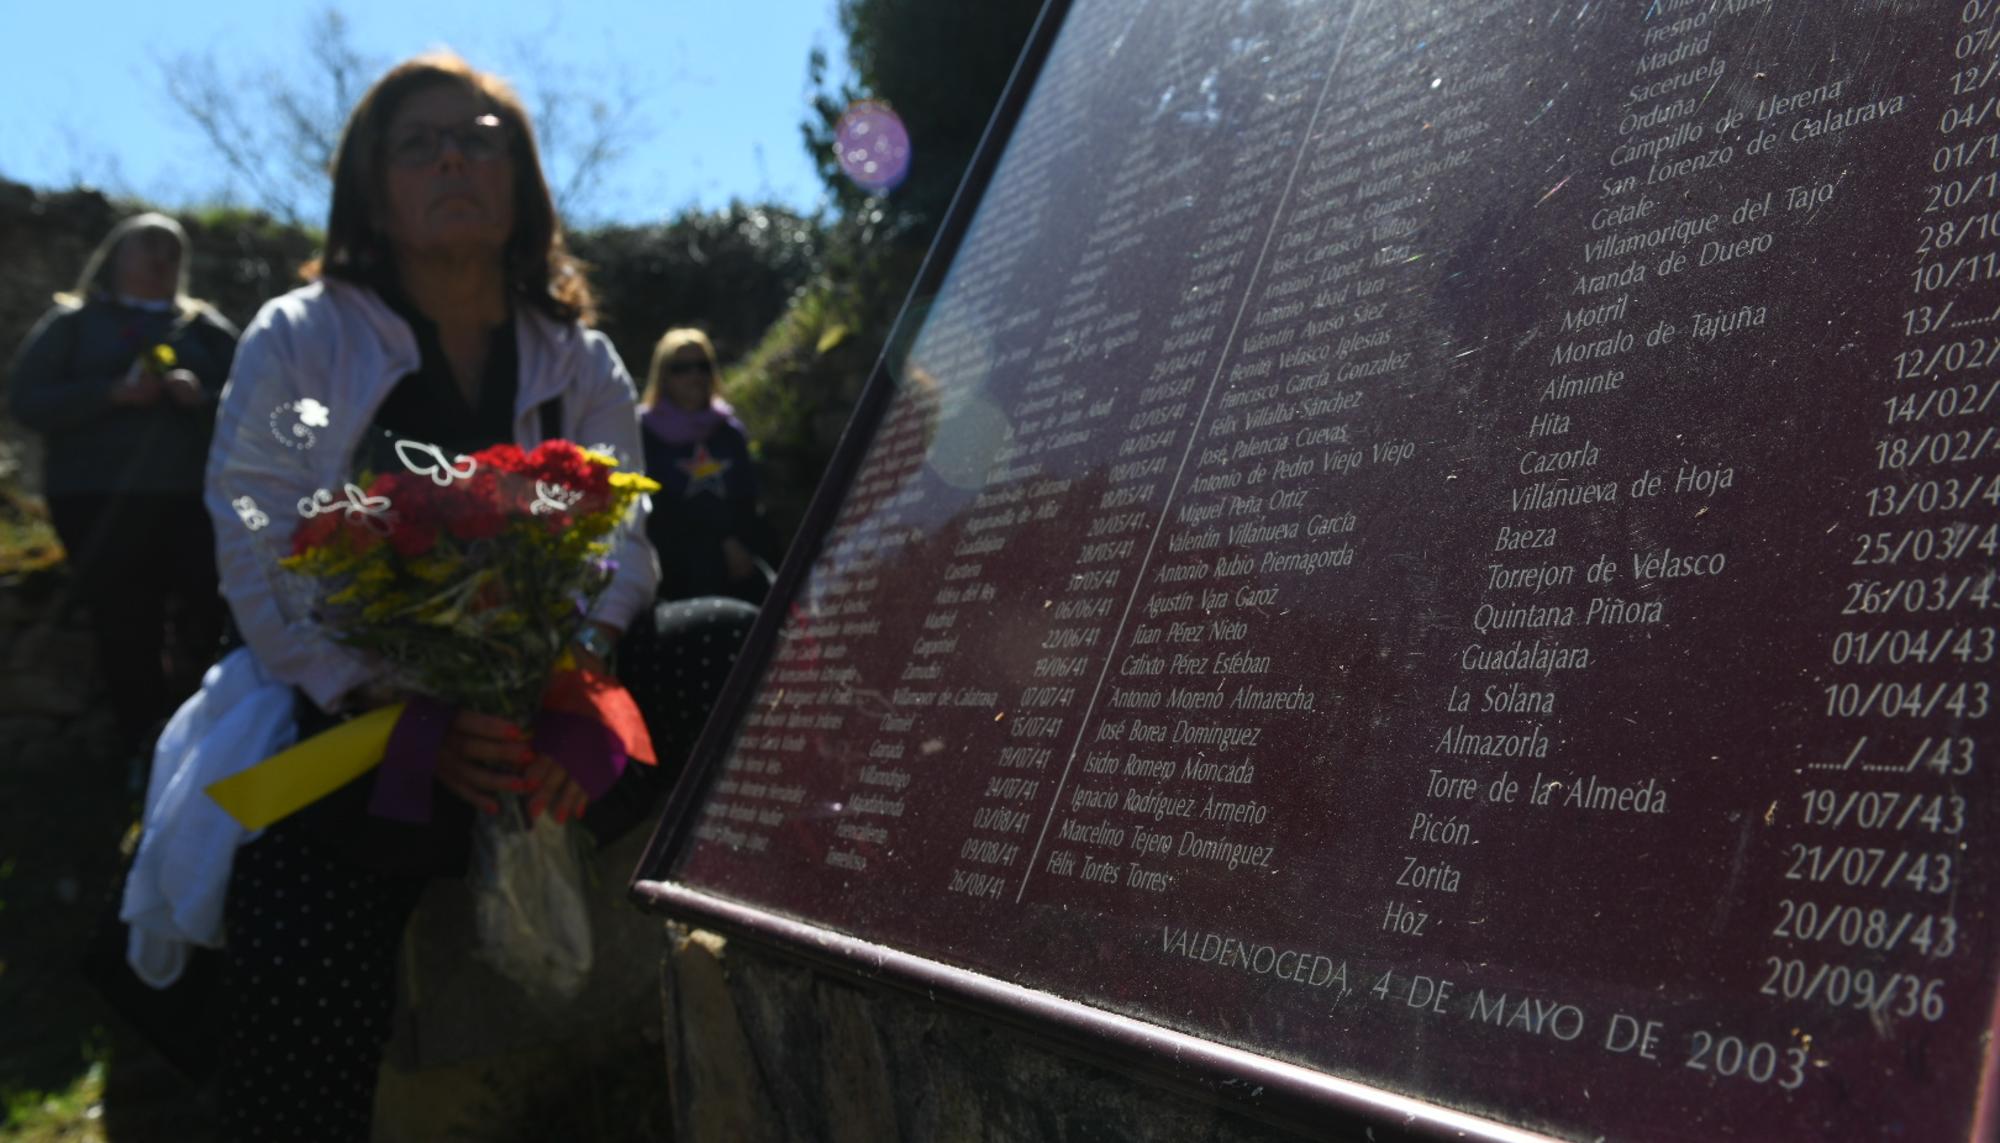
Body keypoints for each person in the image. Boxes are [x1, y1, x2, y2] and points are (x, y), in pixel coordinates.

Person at [201, 53, 753, 1141]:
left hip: (552, 694)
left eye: (485, 135)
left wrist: (576, 676)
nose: (456, 154)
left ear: (521, 180)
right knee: (289, 893)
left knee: (728, 645)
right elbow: (256, 522)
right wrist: (391, 707)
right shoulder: (305, 339)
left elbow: (623, 539)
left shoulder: (575, 354)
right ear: (372, 187)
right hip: (367, 714)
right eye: (420, 141)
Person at [6, 213, 236, 767]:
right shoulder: (75, 322)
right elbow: (26, 399)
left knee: (212, 612)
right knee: (125, 620)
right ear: (116, 257)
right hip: (96, 499)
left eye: (173, 249)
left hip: (193, 500)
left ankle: (213, 748)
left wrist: (201, 398)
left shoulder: (206, 329)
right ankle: (142, 751)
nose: (162, 259)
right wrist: (110, 394)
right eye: (149, 246)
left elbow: (257, 406)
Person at [639, 327, 778, 603]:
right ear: (663, 375)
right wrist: (719, 543)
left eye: (702, 366)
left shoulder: (728, 430)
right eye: (682, 368)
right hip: (678, 570)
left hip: (740, 560)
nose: (695, 376)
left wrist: (737, 545)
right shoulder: (644, 432)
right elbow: (656, 508)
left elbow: (747, 497)